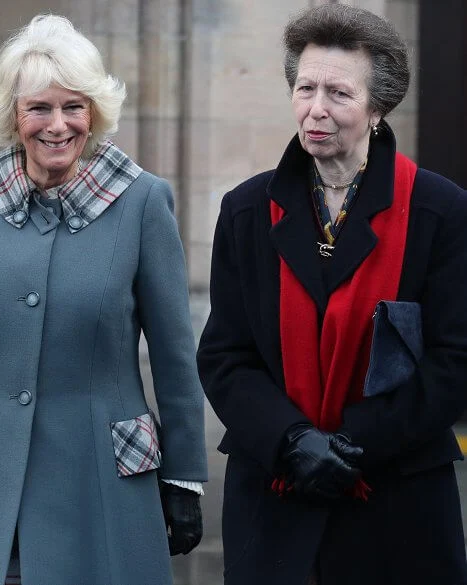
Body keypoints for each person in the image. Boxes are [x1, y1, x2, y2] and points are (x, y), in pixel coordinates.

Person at [0, 14, 207, 585]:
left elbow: (176, 355)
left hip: (101, 483)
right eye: (39, 108)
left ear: (94, 113)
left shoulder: (142, 202)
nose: (57, 125)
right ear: (13, 115)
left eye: (73, 107)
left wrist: (184, 476)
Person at [197, 4, 467, 585]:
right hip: (276, 494)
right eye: (305, 88)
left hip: (395, 503)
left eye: (339, 93)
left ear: (377, 107)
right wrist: (294, 441)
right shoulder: (245, 211)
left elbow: (454, 361)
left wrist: (350, 444)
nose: (316, 109)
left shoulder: (439, 212)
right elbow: (225, 356)